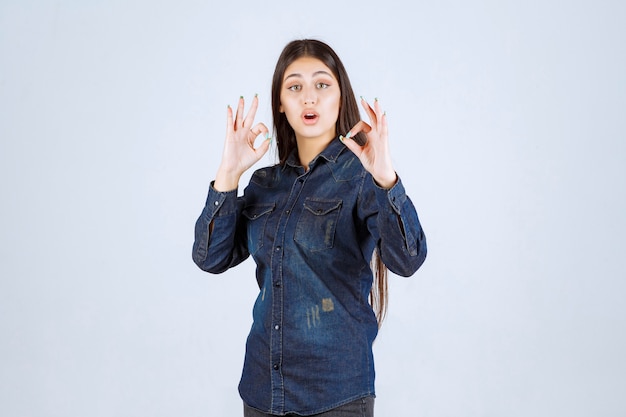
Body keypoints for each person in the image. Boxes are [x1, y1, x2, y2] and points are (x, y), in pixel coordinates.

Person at [192, 39, 427, 417]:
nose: (309, 98)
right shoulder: (264, 184)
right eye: (294, 87)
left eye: (322, 84)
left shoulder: (360, 177)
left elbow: (408, 260)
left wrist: (386, 179)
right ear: (281, 104)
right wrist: (229, 174)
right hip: (263, 392)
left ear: (340, 98)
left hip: (336, 395)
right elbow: (210, 258)